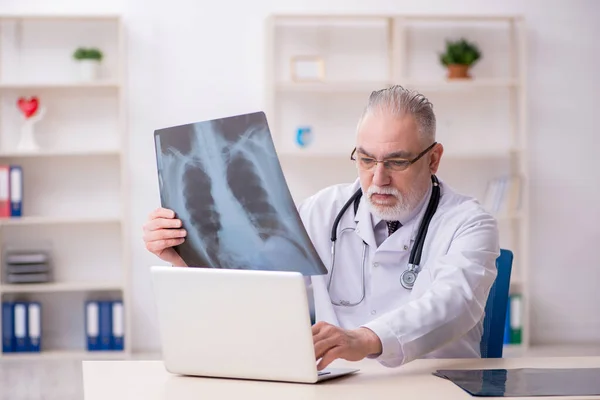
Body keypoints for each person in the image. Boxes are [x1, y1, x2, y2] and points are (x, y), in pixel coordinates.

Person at [142, 85, 500, 371]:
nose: (378, 178)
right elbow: (258, 286)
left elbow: (454, 302)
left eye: (397, 161)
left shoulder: (468, 223)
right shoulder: (323, 211)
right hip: (345, 388)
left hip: (436, 387)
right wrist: (187, 255)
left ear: (433, 158)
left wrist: (364, 339)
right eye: (365, 158)